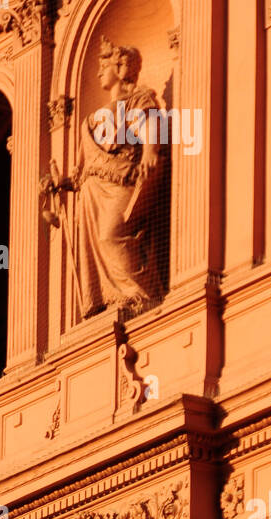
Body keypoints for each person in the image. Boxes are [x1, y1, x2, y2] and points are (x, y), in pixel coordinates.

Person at [60, 39, 166, 318]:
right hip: (92, 192)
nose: (97, 73)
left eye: (103, 66)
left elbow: (151, 124)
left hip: (122, 182)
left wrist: (150, 152)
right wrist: (60, 183)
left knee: (112, 234)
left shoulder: (138, 100)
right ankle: (115, 299)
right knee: (100, 241)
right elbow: (80, 170)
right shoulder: (91, 119)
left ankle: (141, 296)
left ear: (120, 68)